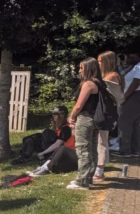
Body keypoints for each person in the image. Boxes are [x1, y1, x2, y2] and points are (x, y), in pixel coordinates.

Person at [68, 58, 102, 190]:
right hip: (96, 119)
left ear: (88, 68)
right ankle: (88, 178)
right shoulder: (99, 82)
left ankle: (82, 182)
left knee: (83, 149)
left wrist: (72, 117)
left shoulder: (88, 84)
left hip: (85, 118)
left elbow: (79, 105)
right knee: (92, 149)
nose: (79, 71)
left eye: (81, 68)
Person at [95, 51, 124, 180]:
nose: (97, 63)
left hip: (106, 112)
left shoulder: (111, 76)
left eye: (100, 61)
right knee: (99, 140)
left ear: (107, 62)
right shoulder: (105, 75)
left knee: (102, 140)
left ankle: (99, 171)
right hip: (102, 111)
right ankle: (98, 168)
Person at [27, 106, 78, 177]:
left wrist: (42, 153)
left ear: (62, 116)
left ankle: (46, 168)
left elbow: (57, 144)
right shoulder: (59, 127)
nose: (53, 116)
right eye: (53, 114)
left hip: (70, 153)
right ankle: (43, 167)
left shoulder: (66, 128)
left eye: (56, 114)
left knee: (61, 148)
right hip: (63, 153)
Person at [116, 53, 140, 158]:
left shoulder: (139, 67)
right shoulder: (132, 67)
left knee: (124, 122)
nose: (130, 58)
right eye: (129, 56)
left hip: (134, 95)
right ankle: (135, 150)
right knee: (135, 123)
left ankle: (125, 150)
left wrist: (125, 96)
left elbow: (136, 82)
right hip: (134, 95)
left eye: (133, 56)